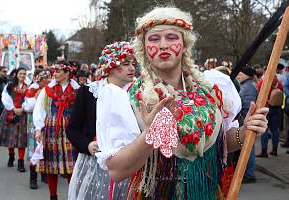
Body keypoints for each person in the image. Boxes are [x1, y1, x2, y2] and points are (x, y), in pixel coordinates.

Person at [95, 7, 269, 199]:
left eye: (171, 37)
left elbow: (219, 145)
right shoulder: (128, 97)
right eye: (154, 39)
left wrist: (244, 133)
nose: (163, 45)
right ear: (143, 48)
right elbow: (117, 171)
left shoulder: (211, 90)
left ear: (185, 45)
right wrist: (150, 135)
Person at [67, 41, 134, 200]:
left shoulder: (138, 94)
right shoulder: (89, 92)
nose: (132, 68)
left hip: (130, 165)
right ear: (110, 67)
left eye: (133, 63)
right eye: (125, 64)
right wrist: (88, 145)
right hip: (94, 165)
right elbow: (72, 129)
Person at [33, 61, 80, 200]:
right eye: (55, 71)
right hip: (51, 128)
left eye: (58, 71)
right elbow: (40, 109)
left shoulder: (78, 90)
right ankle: (53, 196)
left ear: (67, 74)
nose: (55, 74)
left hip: (70, 129)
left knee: (71, 166)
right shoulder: (47, 90)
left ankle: (72, 196)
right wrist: (38, 128)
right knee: (51, 164)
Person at [0, 67, 28, 172]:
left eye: (24, 74)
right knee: (11, 136)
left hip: (22, 114)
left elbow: (29, 99)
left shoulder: (28, 86)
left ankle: (21, 161)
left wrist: (22, 108)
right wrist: (13, 108)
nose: (22, 75)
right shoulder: (10, 86)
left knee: (21, 138)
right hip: (10, 112)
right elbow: (5, 97)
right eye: (21, 73)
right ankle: (11, 155)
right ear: (17, 74)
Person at [24, 70, 51, 189]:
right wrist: (35, 98)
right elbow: (27, 106)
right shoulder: (32, 90)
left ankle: (45, 173)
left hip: (48, 122)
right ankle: (33, 177)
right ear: (40, 80)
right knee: (34, 148)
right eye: (45, 79)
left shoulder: (50, 90)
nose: (48, 81)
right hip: (34, 123)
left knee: (46, 147)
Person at [236, 67, 258, 183]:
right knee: (248, 147)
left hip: (246, 119)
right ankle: (248, 173)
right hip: (246, 119)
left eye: (240, 73)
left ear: (246, 75)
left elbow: (248, 105)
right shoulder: (249, 85)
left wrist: (242, 117)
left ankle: (249, 174)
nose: (238, 76)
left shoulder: (248, 87)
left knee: (248, 147)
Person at [257, 75, 283, 157]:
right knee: (275, 130)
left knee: (264, 130)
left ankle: (264, 151)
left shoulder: (263, 82)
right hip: (277, 108)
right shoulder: (278, 82)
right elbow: (282, 92)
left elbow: (259, 92)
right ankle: (275, 150)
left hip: (266, 107)